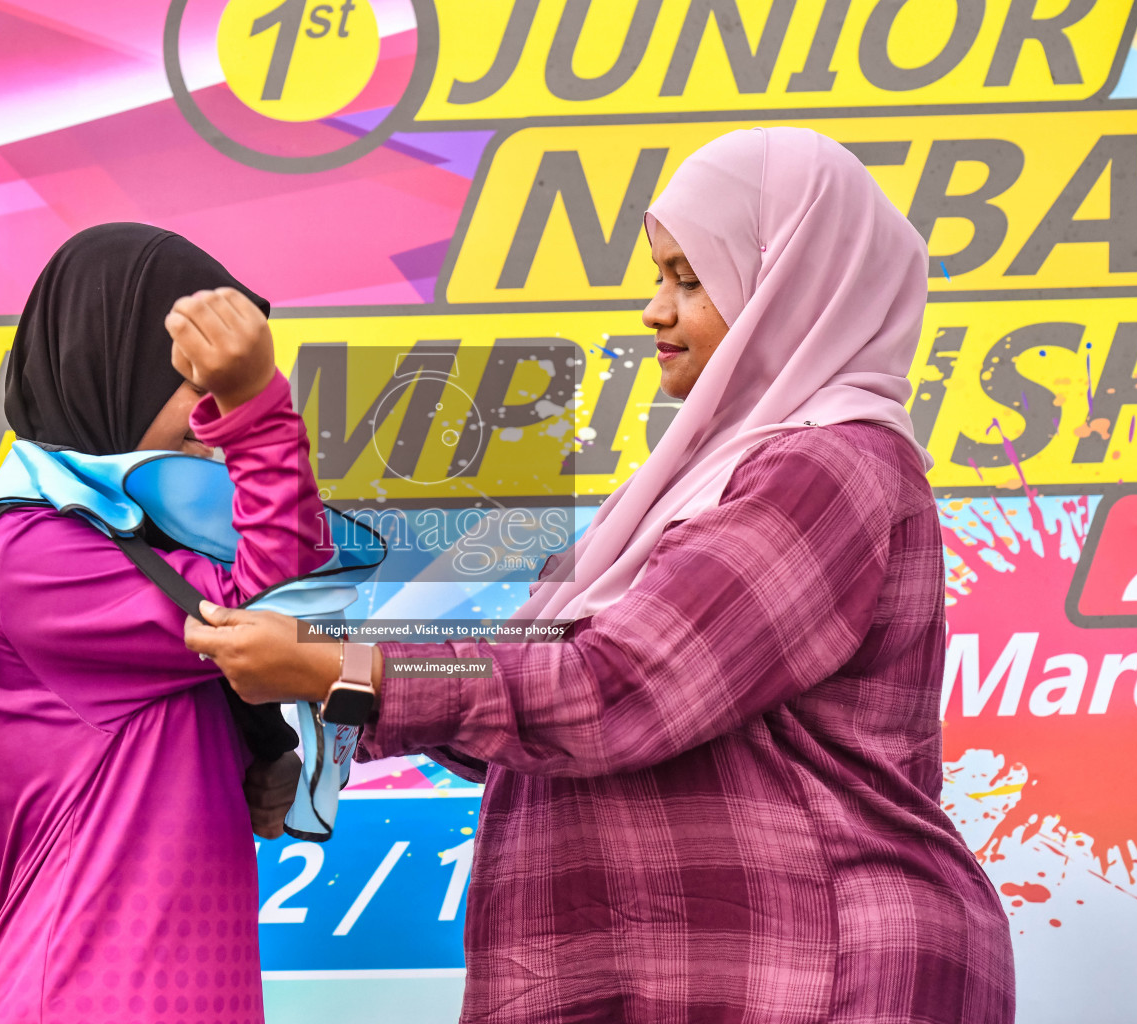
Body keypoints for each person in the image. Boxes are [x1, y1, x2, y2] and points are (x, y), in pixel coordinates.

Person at [183, 128, 1017, 1023]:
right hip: (683, 962)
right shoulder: (673, 497)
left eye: (691, 280)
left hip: (813, 966)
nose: (656, 310)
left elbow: (614, 685)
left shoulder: (830, 468)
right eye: (660, 276)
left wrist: (350, 668)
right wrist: (335, 679)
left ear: (794, 288)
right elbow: (517, 686)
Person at [0, 223, 320, 1024]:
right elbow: (282, 609)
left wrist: (255, 747)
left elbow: (258, 645)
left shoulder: (115, 545)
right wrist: (260, 412)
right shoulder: (27, 552)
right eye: (197, 390)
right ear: (107, 371)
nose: (214, 426)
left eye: (224, 389)